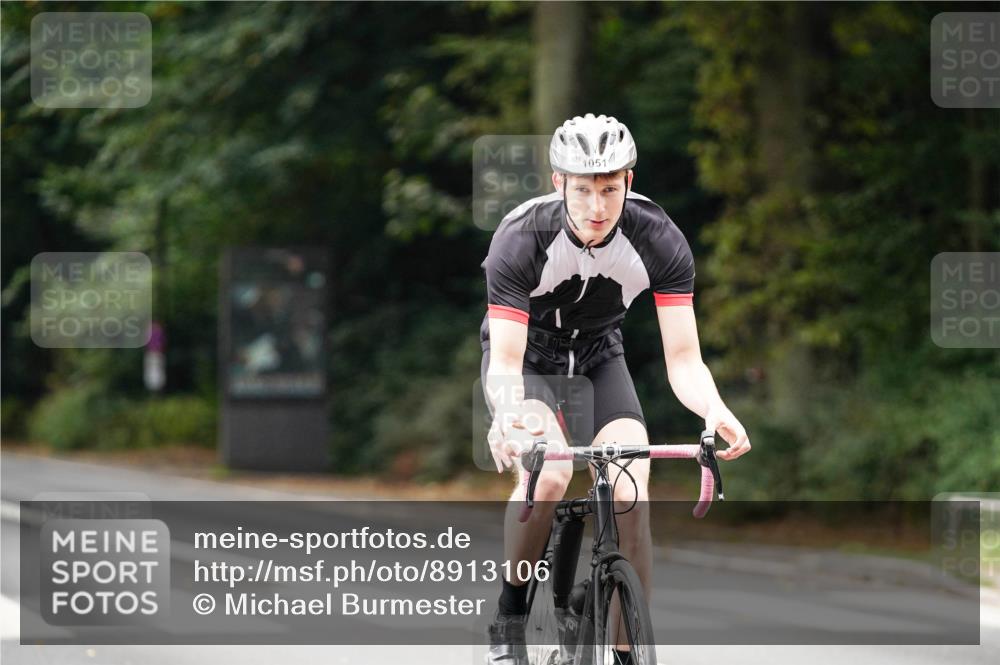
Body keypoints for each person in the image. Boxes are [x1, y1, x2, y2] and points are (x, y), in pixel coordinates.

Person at [480, 114, 751, 665]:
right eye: (582, 190)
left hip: (602, 358)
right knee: (551, 474)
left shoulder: (657, 236)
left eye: (609, 189)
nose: (597, 207)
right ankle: (509, 621)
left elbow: (684, 359)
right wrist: (507, 415)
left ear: (629, 179)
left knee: (633, 494)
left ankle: (628, 652)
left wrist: (714, 406)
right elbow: (505, 361)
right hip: (531, 361)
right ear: (559, 184)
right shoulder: (520, 236)